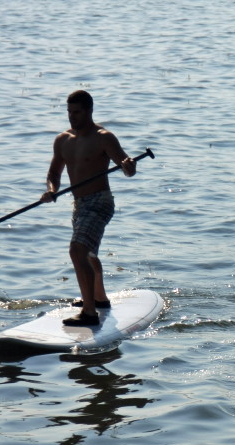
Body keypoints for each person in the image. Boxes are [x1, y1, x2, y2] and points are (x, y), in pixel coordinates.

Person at [41, 90, 136, 326]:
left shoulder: (104, 137)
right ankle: (99, 299)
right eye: (69, 112)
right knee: (88, 252)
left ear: (89, 111)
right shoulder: (62, 140)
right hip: (79, 205)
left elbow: (128, 169)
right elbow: (54, 173)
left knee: (77, 250)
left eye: (77, 112)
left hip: (100, 202)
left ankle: (89, 313)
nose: (72, 117)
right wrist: (52, 190)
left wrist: (129, 165)